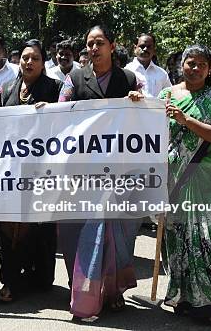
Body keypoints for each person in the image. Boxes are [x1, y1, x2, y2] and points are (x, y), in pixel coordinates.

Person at [57, 25, 142, 321]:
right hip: (82, 170)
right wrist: (45, 114)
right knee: (76, 230)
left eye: (100, 43)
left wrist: (138, 104)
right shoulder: (75, 78)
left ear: (112, 45)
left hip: (119, 170)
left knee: (119, 231)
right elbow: (61, 113)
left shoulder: (129, 80)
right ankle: (81, 287)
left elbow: (145, 120)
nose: (94, 48)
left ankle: (114, 290)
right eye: (90, 43)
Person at [160, 44, 211, 326]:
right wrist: (135, 101)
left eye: (201, 65)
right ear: (182, 64)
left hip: (205, 177)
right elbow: (147, 126)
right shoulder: (166, 95)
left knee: (205, 237)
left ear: (208, 69)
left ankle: (206, 301)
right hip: (174, 176)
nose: (195, 68)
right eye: (190, 63)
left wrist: (186, 119)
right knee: (178, 236)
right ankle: (186, 298)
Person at [0, 39, 62, 303]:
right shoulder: (7, 88)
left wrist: (52, 113)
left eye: (34, 58)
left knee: (40, 227)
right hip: (12, 169)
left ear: (43, 62)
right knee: (10, 228)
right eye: (24, 57)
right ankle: (10, 280)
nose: (28, 62)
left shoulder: (55, 89)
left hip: (43, 168)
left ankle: (40, 276)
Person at [125, 33, 171, 98]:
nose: (145, 49)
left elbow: (169, 96)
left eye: (149, 47)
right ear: (135, 48)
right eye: (142, 46)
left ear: (154, 50)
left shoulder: (162, 74)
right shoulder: (127, 71)